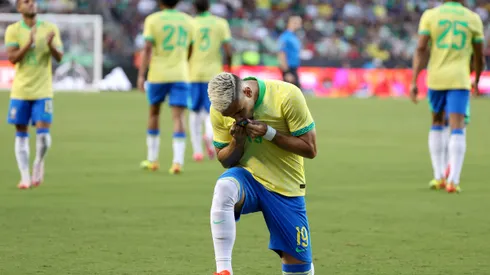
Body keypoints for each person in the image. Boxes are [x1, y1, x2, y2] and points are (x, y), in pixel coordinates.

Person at [208, 73, 317, 275]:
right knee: (224, 188)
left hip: (285, 186)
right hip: (248, 179)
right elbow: (224, 160)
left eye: (240, 111)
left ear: (247, 92)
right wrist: (236, 143)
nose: (238, 119)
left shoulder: (287, 95)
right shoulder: (219, 109)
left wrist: (270, 133)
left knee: (299, 270)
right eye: (232, 116)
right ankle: (223, 270)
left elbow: (310, 149)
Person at [410, 0, 485, 193]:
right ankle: (453, 180)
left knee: (436, 122)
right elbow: (479, 55)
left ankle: (438, 176)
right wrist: (476, 78)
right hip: (459, 78)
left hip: (436, 77)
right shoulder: (473, 18)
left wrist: (414, 80)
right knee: (457, 126)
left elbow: (420, 49)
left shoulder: (430, 15)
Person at [5, 0, 63, 189]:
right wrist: (28, 43)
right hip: (21, 91)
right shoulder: (13, 30)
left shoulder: (49, 28)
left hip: (43, 90)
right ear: (19, 8)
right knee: (21, 134)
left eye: (33, 1)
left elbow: (60, 57)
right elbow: (13, 58)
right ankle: (24, 177)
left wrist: (51, 46)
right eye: (26, 2)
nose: (31, 4)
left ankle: (38, 162)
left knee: (43, 135)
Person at [137, 0, 195, 174]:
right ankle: (177, 162)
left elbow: (147, 48)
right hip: (180, 74)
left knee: (154, 113)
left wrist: (141, 74)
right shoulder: (188, 20)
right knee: (178, 117)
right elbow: (190, 48)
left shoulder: (153, 19)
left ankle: (152, 160)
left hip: (158, 74)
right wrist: (182, 62)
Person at [188, 0, 232, 162]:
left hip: (193, 73)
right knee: (212, 109)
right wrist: (230, 67)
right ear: (209, 7)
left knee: (194, 111)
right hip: (214, 73)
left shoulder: (190, 24)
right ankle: (209, 134)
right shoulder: (220, 23)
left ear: (194, 8)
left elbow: (188, 48)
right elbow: (228, 49)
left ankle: (197, 151)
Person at [278, 15, 302, 88]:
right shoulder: (286, 37)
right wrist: (286, 72)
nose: (300, 25)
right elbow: (281, 54)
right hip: (289, 68)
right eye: (297, 22)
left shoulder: (294, 36)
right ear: (291, 23)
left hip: (294, 67)